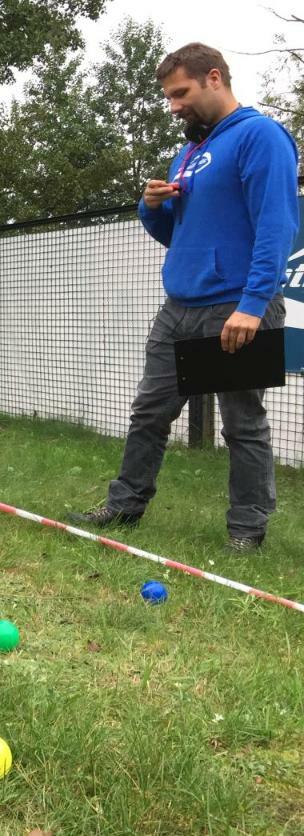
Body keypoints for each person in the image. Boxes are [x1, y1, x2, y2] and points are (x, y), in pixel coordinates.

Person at [72, 43, 299, 552]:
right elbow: (182, 233)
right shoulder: (191, 152)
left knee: (242, 426)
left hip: (236, 308)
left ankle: (247, 531)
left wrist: (253, 303)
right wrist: (151, 206)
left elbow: (277, 226)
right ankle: (123, 506)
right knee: (149, 413)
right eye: (169, 97)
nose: (173, 106)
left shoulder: (261, 137)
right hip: (179, 308)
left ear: (213, 78)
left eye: (181, 94)